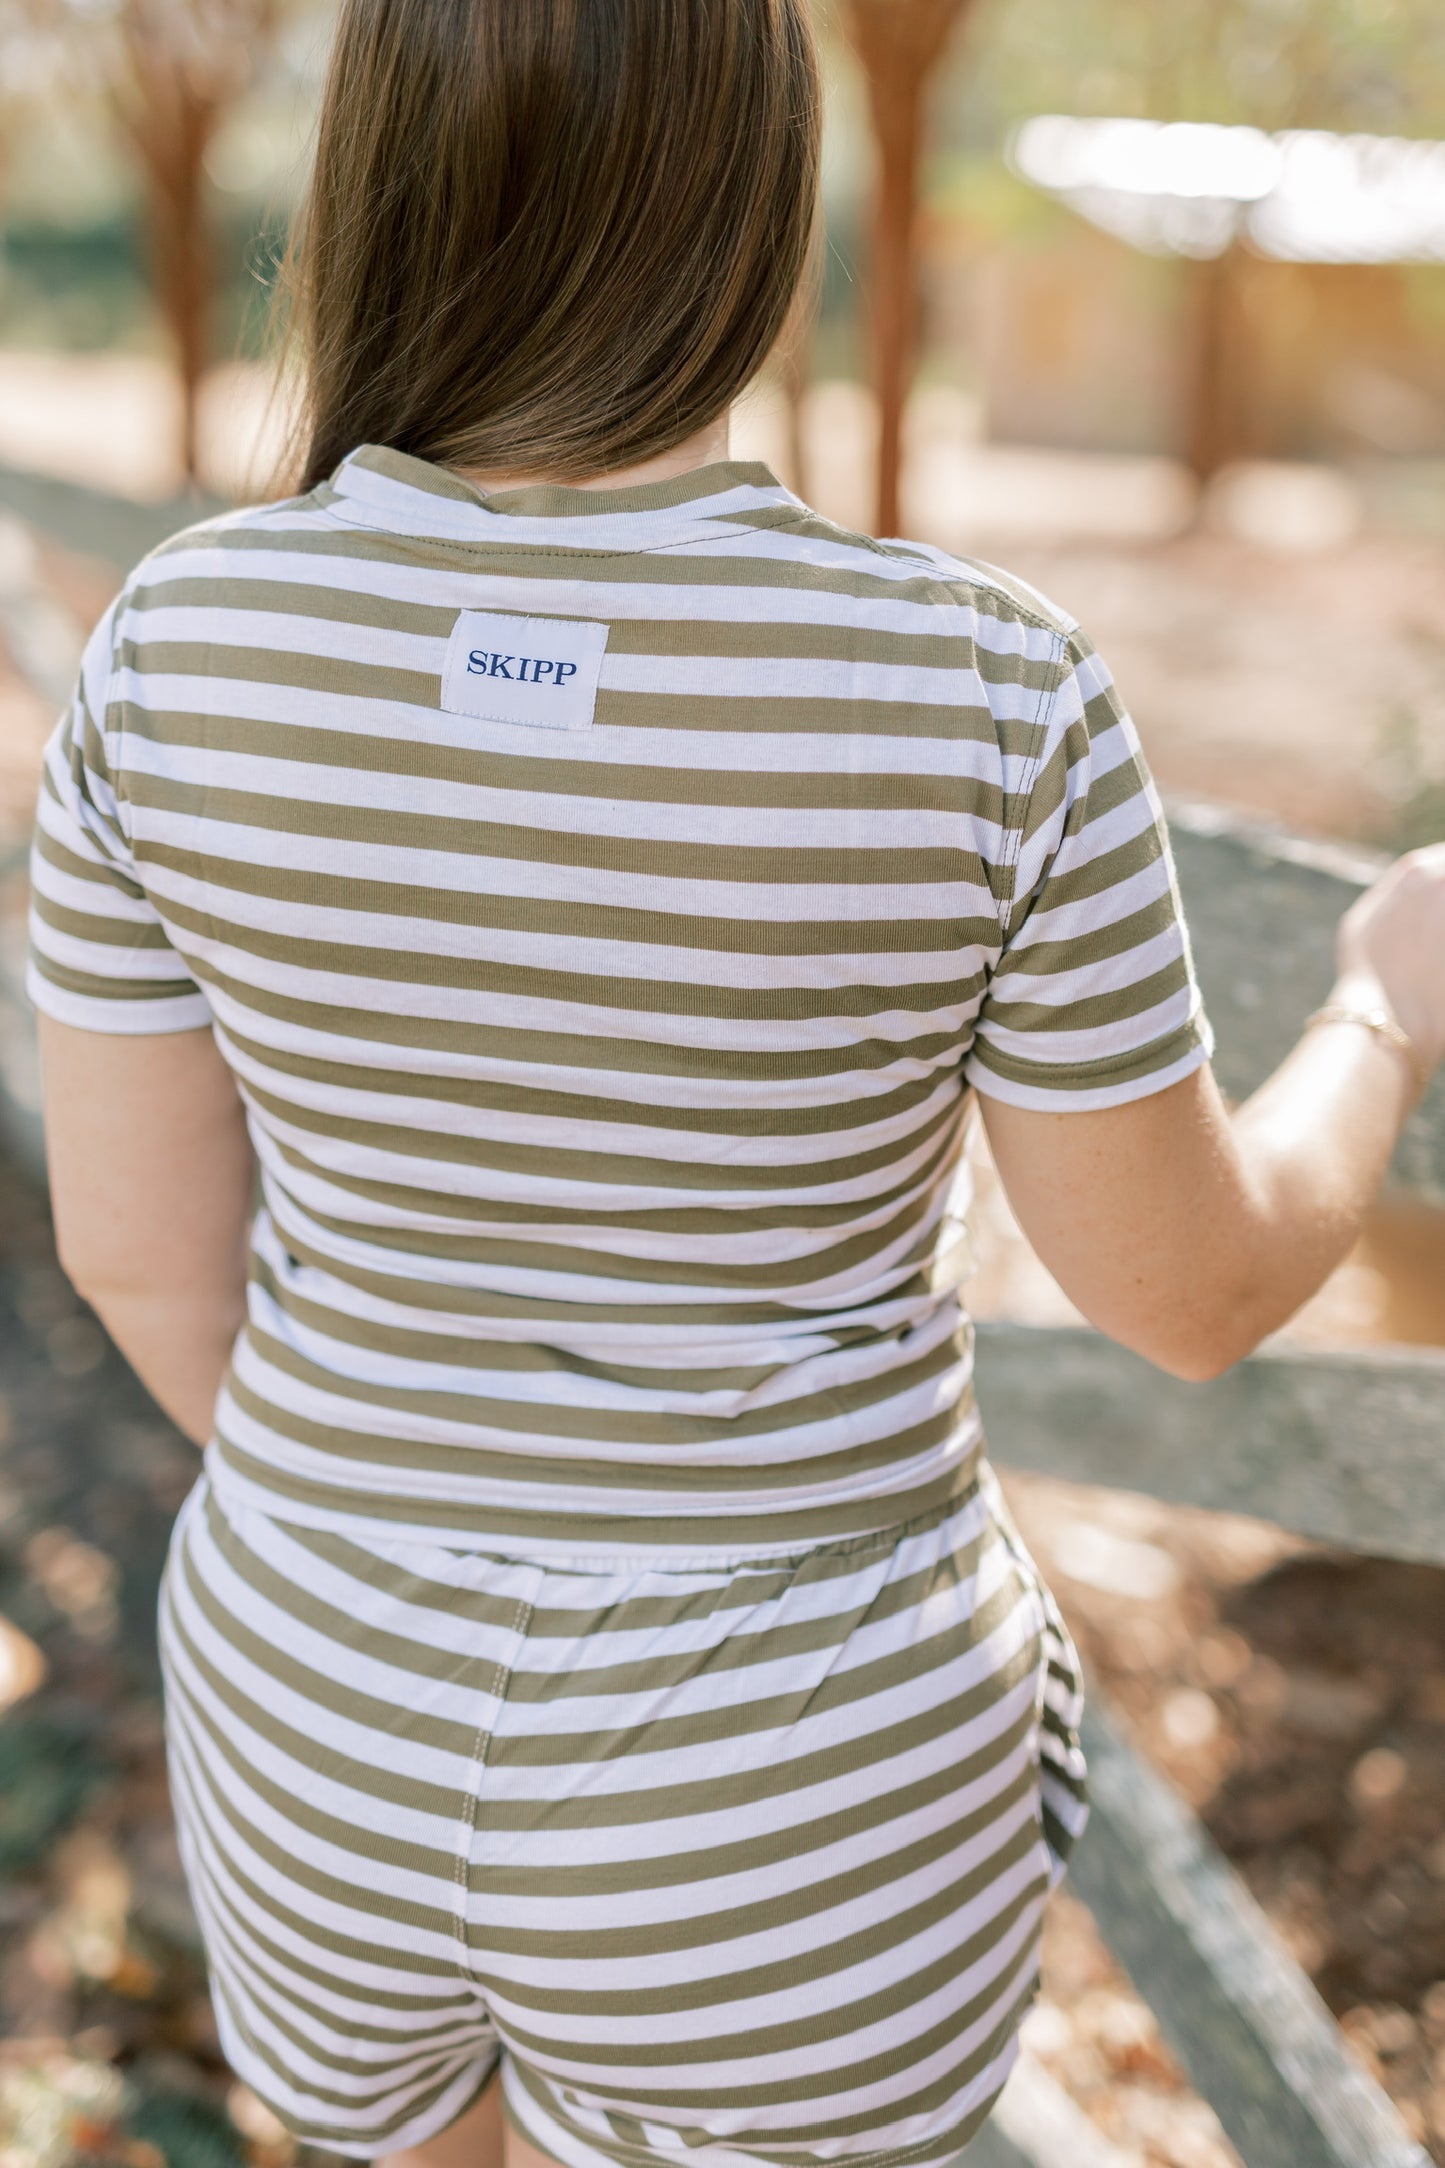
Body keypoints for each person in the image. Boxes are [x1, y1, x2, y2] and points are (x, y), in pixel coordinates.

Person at [26, 1, 1445, 2163]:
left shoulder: (178, 646)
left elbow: (136, 1250)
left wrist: (422, 1509)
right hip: (790, 1753)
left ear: (371, 186)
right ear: (758, 210)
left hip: (319, 1695)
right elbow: (1189, 1292)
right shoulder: (987, 694)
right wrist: (1382, 1009)